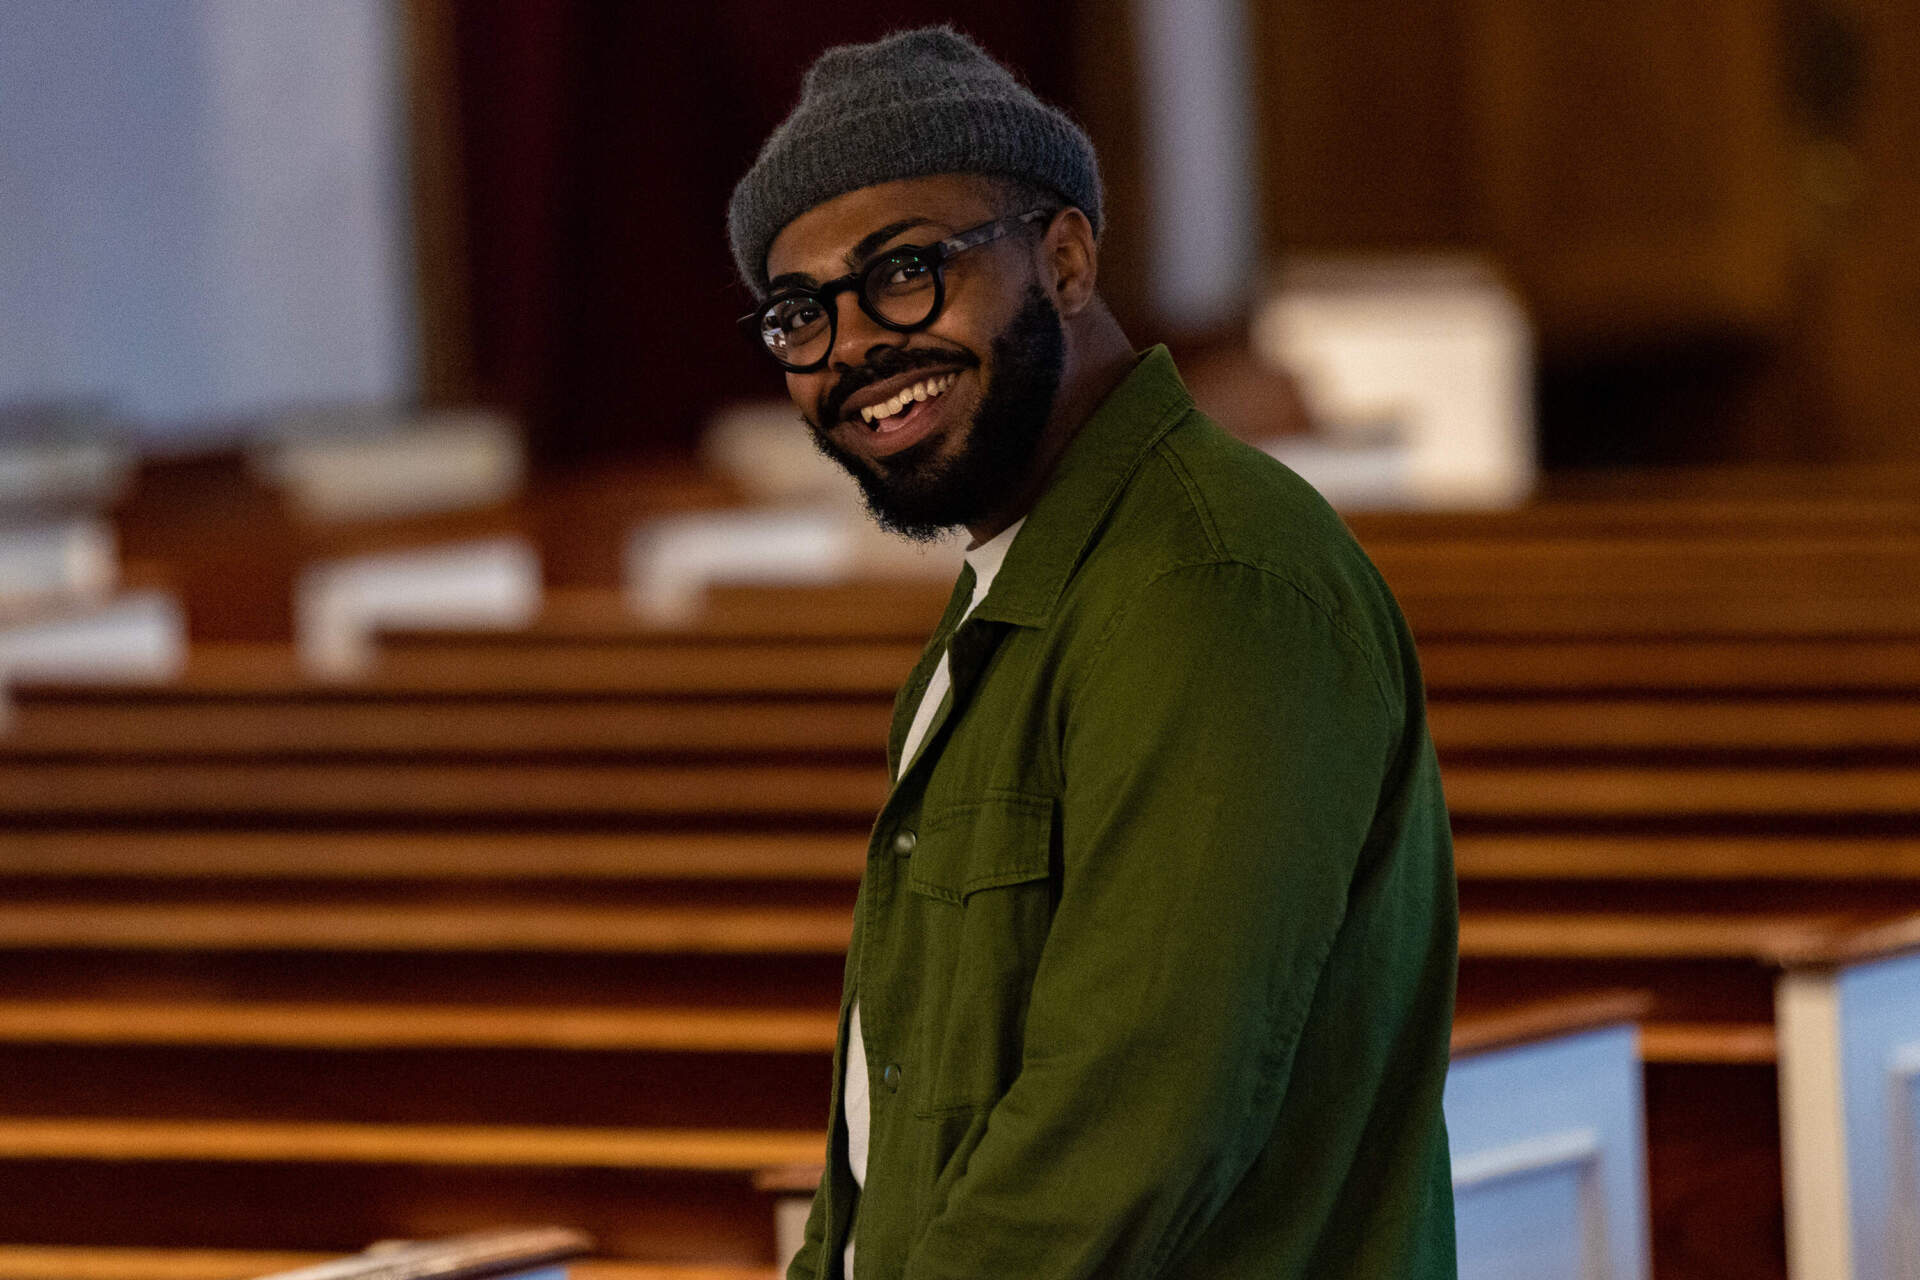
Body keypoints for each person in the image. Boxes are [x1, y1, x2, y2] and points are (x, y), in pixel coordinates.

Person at [726, 26, 1458, 1279]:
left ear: (1064, 259)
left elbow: (1134, 1128)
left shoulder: (1214, 584)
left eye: (906, 271)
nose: (851, 347)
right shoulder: (1017, 592)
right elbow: (891, 1130)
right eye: (803, 313)